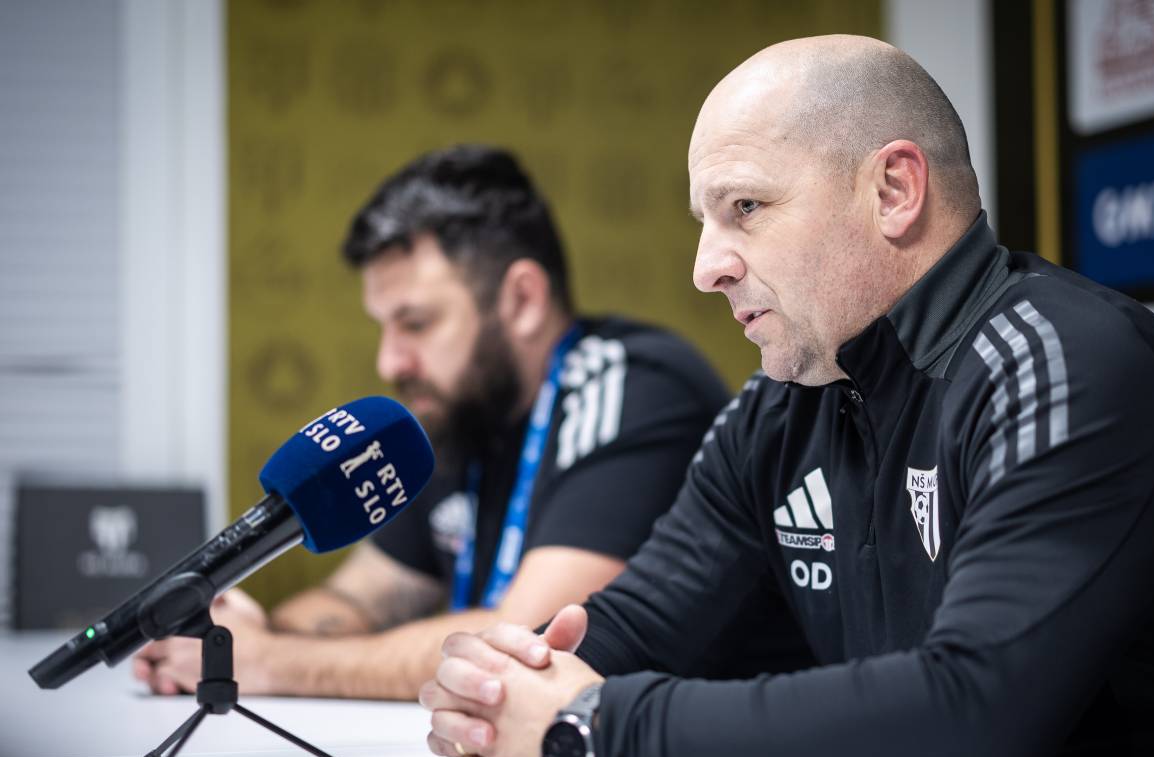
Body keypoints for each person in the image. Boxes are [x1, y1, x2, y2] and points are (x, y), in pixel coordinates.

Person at [419, 37, 1154, 757]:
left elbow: (971, 722)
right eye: (705, 221)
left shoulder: (1063, 362)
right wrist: (499, 690)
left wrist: (593, 732)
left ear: (894, 191)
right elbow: (638, 623)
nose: (707, 267)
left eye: (745, 208)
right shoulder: (780, 409)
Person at [131, 144, 729, 701]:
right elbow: (360, 598)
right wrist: (237, 633)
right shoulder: (460, 416)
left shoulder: (634, 386)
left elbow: (533, 641)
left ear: (522, 300)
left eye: (415, 323)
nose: (390, 362)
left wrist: (268, 661)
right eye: (384, 327)